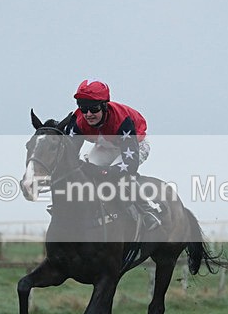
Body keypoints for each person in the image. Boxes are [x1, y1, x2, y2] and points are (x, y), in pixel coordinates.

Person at [65, 79, 161, 229]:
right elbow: (68, 156)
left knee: (121, 177)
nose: (88, 114)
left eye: (94, 108)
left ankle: (148, 209)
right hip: (105, 144)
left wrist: (103, 171)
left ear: (104, 106)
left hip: (135, 144)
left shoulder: (122, 120)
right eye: (84, 109)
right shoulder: (78, 120)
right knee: (84, 174)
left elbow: (130, 165)